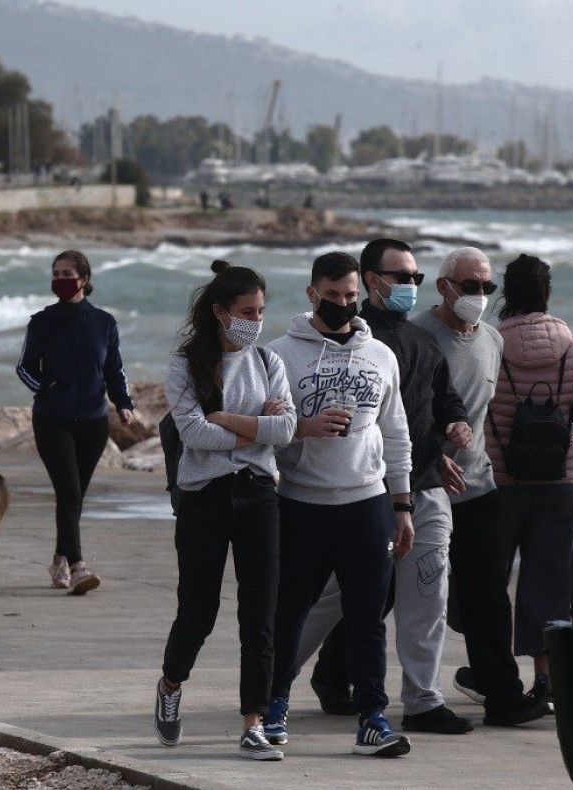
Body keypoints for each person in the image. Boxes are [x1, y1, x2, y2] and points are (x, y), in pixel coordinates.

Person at [294, 238, 476, 735]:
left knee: (427, 595)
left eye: (416, 278)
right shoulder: (351, 344)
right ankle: (271, 679)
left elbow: (443, 402)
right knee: (332, 597)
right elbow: (375, 426)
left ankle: (422, 700)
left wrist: (456, 426)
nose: (411, 287)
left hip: (425, 491)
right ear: (371, 281)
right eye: (402, 277)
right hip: (365, 493)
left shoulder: (421, 341)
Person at [262, 251, 415, 757]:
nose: (344, 306)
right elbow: (264, 435)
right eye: (333, 297)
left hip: (367, 503)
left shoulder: (381, 356)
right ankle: (272, 705)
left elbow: (396, 432)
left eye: (351, 297)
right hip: (300, 502)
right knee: (289, 612)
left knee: (367, 617)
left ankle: (372, 717)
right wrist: (301, 428)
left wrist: (403, 503)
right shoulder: (279, 354)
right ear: (312, 294)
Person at [153, 260, 296, 760]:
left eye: (261, 311)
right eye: (246, 311)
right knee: (199, 609)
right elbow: (192, 433)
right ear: (219, 312)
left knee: (261, 612)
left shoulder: (268, 362)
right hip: (204, 497)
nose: (255, 321)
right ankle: (171, 684)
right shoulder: (185, 363)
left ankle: (253, 722)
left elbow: (286, 431)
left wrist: (229, 422)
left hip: (258, 494)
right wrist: (256, 425)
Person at [410, 246, 547, 726]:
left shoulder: (492, 339)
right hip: (423, 484)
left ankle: (502, 696)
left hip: (479, 484)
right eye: (470, 286)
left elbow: (479, 413)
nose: (480, 295)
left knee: (489, 594)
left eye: (488, 287)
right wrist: (429, 459)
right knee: (392, 589)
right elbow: (401, 412)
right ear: (443, 286)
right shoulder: (417, 336)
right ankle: (335, 676)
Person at [486, 254, 573, 703]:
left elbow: (473, 404)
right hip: (560, 480)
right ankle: (548, 681)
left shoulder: (490, 342)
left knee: (490, 580)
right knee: (551, 583)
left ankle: (494, 672)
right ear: (548, 294)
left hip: (500, 480)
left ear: (505, 293)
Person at [15, 250, 134, 595]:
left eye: (67, 273)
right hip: (52, 419)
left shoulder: (104, 323)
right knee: (68, 491)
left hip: (94, 421)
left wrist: (123, 404)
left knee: (74, 496)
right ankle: (79, 567)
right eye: (56, 273)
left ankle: (59, 560)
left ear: (83, 278)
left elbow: (114, 369)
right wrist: (48, 388)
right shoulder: (41, 321)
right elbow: (25, 368)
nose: (60, 279)